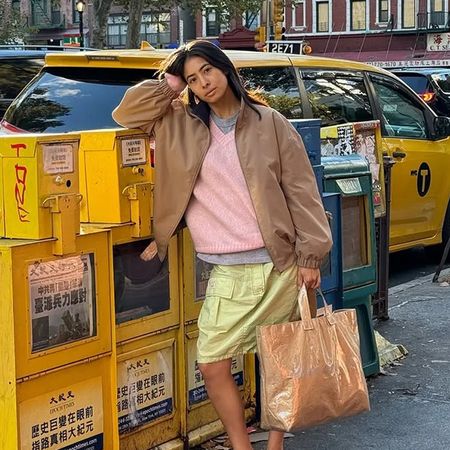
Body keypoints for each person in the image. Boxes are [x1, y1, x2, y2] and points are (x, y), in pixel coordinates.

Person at [113, 40, 332, 450]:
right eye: (193, 79)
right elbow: (126, 113)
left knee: (280, 358)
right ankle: (240, 444)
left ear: (225, 68)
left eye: (207, 71)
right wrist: (171, 81)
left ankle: (276, 442)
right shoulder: (178, 123)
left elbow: (303, 192)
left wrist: (310, 256)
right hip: (226, 271)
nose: (203, 83)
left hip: (279, 265)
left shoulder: (270, 122)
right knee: (212, 362)